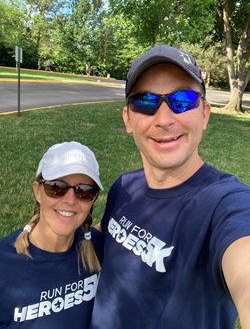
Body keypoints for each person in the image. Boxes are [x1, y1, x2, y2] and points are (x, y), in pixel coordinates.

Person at [90, 45, 250, 329]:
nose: (164, 120)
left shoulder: (227, 205)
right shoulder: (125, 187)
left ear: (204, 114)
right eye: (145, 102)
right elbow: (103, 244)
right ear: (128, 119)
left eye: (183, 100)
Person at [0, 141, 104, 328]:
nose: (70, 200)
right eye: (57, 187)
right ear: (37, 191)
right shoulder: (4, 264)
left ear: (93, 200)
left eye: (84, 191)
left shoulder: (99, 250)